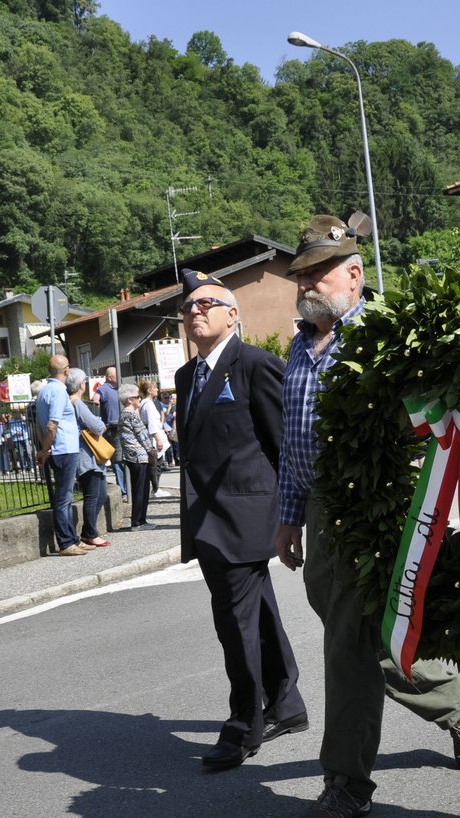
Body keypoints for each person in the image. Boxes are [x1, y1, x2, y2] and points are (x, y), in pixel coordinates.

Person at [274, 215, 460, 818]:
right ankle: (454, 699)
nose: (308, 283)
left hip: (378, 507)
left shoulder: (387, 334)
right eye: (302, 274)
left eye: (320, 271)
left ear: (355, 274)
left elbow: (435, 419)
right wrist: (289, 516)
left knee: (347, 641)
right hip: (319, 509)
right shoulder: (299, 343)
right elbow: (295, 441)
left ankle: (346, 784)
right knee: (367, 631)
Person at [173, 269, 308, 769]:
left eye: (206, 303)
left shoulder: (254, 364)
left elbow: (283, 446)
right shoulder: (187, 377)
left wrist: (289, 516)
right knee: (258, 618)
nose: (194, 311)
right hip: (206, 520)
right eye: (188, 306)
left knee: (236, 625)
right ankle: (287, 705)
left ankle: (243, 724)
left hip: (247, 518)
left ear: (233, 314)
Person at [35, 354, 90, 557]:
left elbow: (40, 424)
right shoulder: (58, 391)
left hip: (57, 448)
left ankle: (73, 539)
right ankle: (66, 542)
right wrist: (45, 449)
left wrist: (44, 448)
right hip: (64, 448)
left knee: (65, 496)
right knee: (64, 497)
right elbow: (52, 424)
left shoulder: (43, 391)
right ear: (66, 370)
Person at [68, 367, 111, 549]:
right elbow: (97, 426)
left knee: (100, 494)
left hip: (89, 456)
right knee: (94, 495)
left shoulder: (72, 402)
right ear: (80, 385)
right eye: (84, 381)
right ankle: (90, 534)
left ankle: (88, 531)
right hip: (86, 456)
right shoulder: (77, 403)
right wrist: (100, 423)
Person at [118, 393, 156, 529]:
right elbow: (142, 434)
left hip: (132, 455)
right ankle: (138, 522)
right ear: (129, 399)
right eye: (137, 396)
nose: (140, 399)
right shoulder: (131, 414)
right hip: (138, 455)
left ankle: (140, 520)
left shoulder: (125, 413)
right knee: (141, 489)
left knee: (140, 488)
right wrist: (151, 450)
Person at [97, 366, 129, 503]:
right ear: (110, 377)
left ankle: (127, 488)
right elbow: (95, 397)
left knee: (125, 459)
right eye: (117, 375)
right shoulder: (104, 388)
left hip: (123, 427)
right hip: (113, 429)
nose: (120, 376)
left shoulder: (119, 389)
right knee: (118, 461)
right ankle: (123, 491)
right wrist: (97, 402)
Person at [139, 379, 171, 498]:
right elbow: (152, 424)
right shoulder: (149, 404)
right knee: (156, 464)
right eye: (154, 387)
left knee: (155, 463)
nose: (157, 389)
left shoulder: (144, 403)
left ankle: (155, 488)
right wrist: (158, 439)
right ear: (149, 390)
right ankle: (156, 489)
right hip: (153, 437)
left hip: (150, 436)